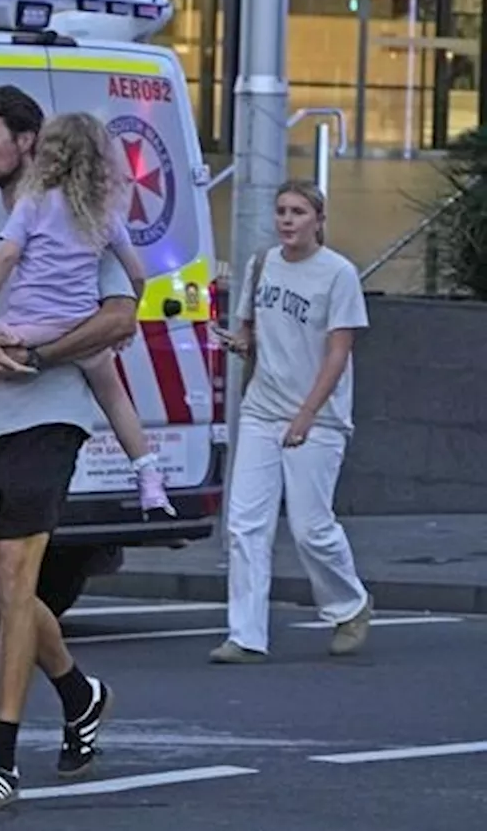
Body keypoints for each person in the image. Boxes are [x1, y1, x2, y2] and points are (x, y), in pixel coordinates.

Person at [0, 85, 139, 810]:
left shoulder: (77, 214)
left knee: (15, 569)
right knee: (1, 590)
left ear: (28, 142)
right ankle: (80, 692)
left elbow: (120, 313)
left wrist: (37, 360)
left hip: (50, 412)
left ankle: (0, 758)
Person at [0, 111, 174, 522]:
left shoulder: (35, 202)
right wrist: (131, 314)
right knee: (113, 393)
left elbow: (8, 254)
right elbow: (136, 273)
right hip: (81, 320)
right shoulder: (103, 213)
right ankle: (149, 474)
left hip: (34, 323)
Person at [209, 178, 373, 664]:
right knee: (244, 524)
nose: (287, 220)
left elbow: (338, 352)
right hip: (262, 409)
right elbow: (250, 330)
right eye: (281, 211)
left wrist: (306, 416)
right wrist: (238, 343)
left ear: (318, 221)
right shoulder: (262, 264)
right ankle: (246, 635)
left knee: (310, 527)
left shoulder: (338, 274)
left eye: (298, 212)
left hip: (317, 417)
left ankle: (351, 604)